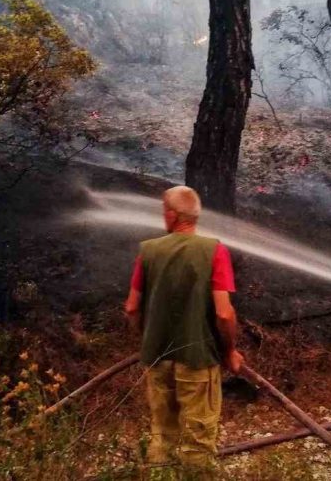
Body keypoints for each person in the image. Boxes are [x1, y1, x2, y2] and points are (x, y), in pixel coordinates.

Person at [123, 185, 244, 476]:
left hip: (157, 358)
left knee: (162, 435)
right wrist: (229, 351)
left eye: (164, 211)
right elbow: (224, 313)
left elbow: (131, 307)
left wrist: (148, 338)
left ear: (174, 215)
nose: (162, 216)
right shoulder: (214, 251)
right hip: (198, 360)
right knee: (198, 441)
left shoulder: (148, 251)